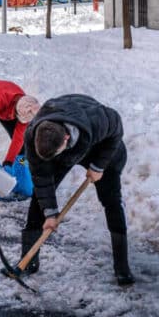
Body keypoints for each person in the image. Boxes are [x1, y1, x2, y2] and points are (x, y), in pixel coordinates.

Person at [21, 94, 134, 286]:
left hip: (102, 147)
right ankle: (27, 261)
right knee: (39, 201)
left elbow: (116, 123)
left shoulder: (97, 119)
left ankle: (122, 268)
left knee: (111, 200)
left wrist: (99, 166)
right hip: (63, 151)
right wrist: (50, 214)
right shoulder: (34, 136)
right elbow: (41, 179)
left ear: (66, 138)